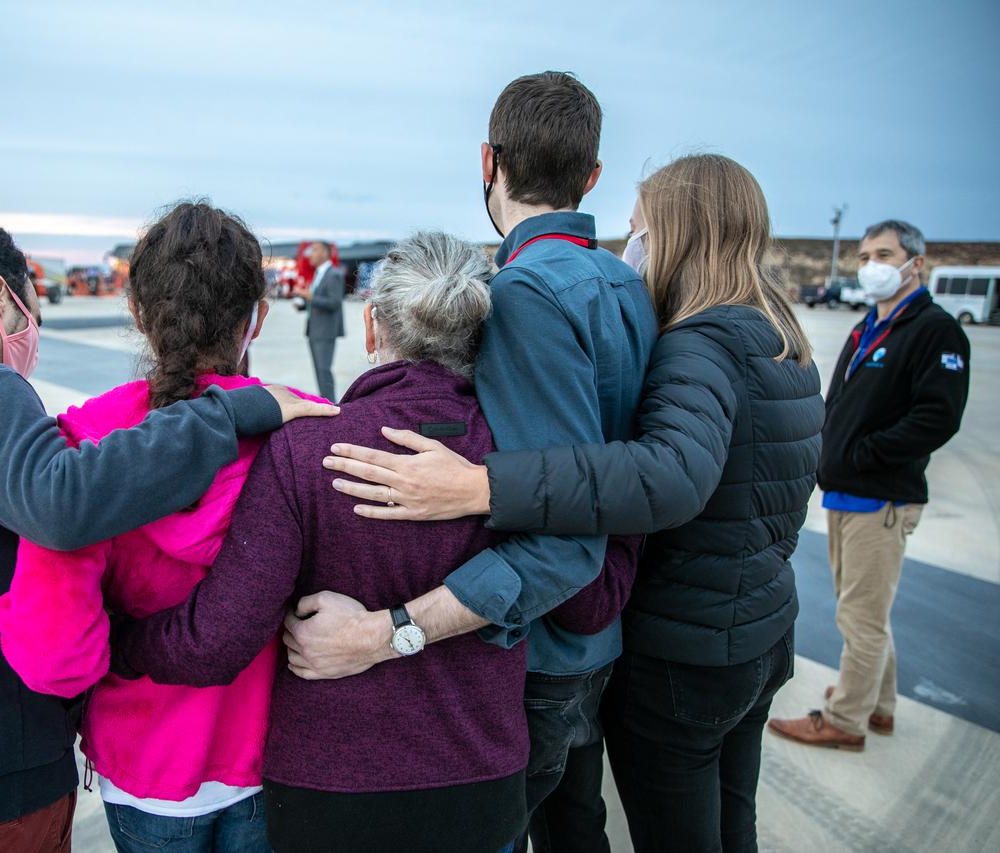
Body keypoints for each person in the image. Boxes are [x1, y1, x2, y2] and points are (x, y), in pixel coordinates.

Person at [317, 154, 824, 852]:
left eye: (640, 224)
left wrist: (482, 485)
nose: (632, 241)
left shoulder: (700, 343)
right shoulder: (776, 336)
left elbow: (668, 477)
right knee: (722, 822)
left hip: (687, 647)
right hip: (759, 628)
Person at [0, 214, 335, 852]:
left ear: (138, 312)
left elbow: (56, 647)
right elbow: (62, 502)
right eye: (28, 299)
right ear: (0, 296)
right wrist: (236, 411)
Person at [249, 72, 659, 853]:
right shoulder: (625, 284)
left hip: (540, 648)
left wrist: (389, 628)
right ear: (593, 176)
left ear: (487, 161)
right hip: (603, 635)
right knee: (576, 825)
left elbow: (560, 538)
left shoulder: (526, 293)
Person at [103, 231, 539, 853]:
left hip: (331, 788)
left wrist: (116, 643)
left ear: (370, 328)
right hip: (481, 778)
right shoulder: (518, 463)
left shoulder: (307, 452)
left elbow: (217, 639)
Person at [0, 202, 321, 853]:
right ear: (257, 316)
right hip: (275, 754)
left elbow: (55, 657)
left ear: (138, 314)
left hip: (141, 762)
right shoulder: (303, 428)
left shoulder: (86, 446)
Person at [769, 220, 970, 751]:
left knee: (861, 618)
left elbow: (938, 417)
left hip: (880, 495)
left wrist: (862, 455)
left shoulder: (934, 330)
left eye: (884, 254)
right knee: (865, 610)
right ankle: (877, 703)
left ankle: (845, 718)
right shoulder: (868, 326)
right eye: (863, 256)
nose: (871, 266)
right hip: (845, 491)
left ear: (915, 264)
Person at [301, 240, 345, 400]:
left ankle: (331, 404)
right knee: (318, 371)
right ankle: (324, 401)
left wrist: (311, 297)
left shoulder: (333, 274)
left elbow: (335, 302)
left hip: (325, 331)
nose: (310, 254)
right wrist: (302, 304)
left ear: (325, 253)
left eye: (314, 250)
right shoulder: (318, 274)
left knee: (324, 370)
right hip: (313, 330)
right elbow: (316, 301)